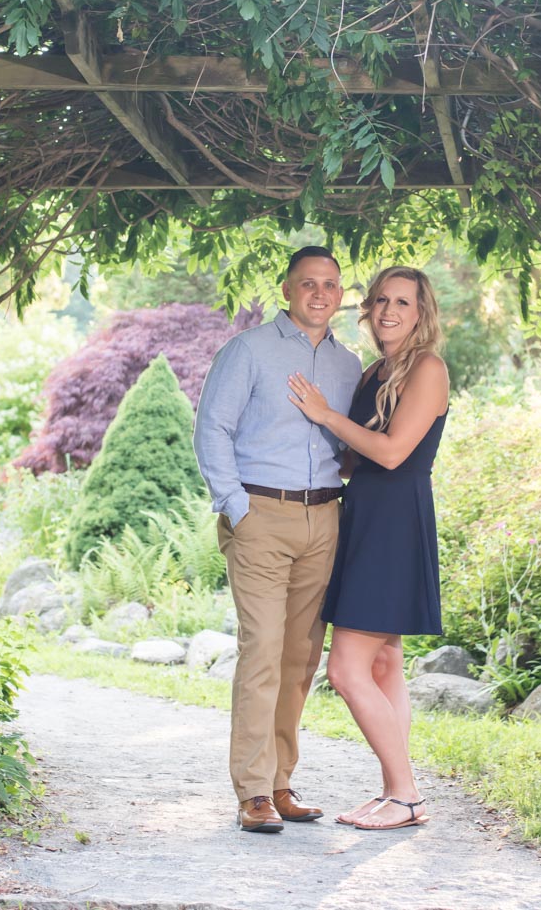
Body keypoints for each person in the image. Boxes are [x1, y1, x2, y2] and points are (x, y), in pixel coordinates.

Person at [193, 245, 363, 834]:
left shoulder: (348, 366)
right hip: (261, 514)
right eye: (309, 283)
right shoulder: (248, 351)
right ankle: (252, 792)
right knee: (262, 649)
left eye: (332, 285)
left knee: (300, 658)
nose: (321, 294)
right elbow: (213, 428)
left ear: (341, 295)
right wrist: (237, 509)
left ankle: (282, 781)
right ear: (287, 289)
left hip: (325, 519)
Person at [286, 265, 448, 831]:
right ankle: (393, 792)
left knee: (347, 669)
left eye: (402, 302)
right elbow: (354, 456)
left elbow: (392, 453)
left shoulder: (427, 368)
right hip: (365, 515)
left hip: (395, 522)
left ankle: (406, 794)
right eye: (380, 300)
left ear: (421, 312)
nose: (388, 311)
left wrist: (326, 415)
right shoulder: (377, 370)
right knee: (384, 664)